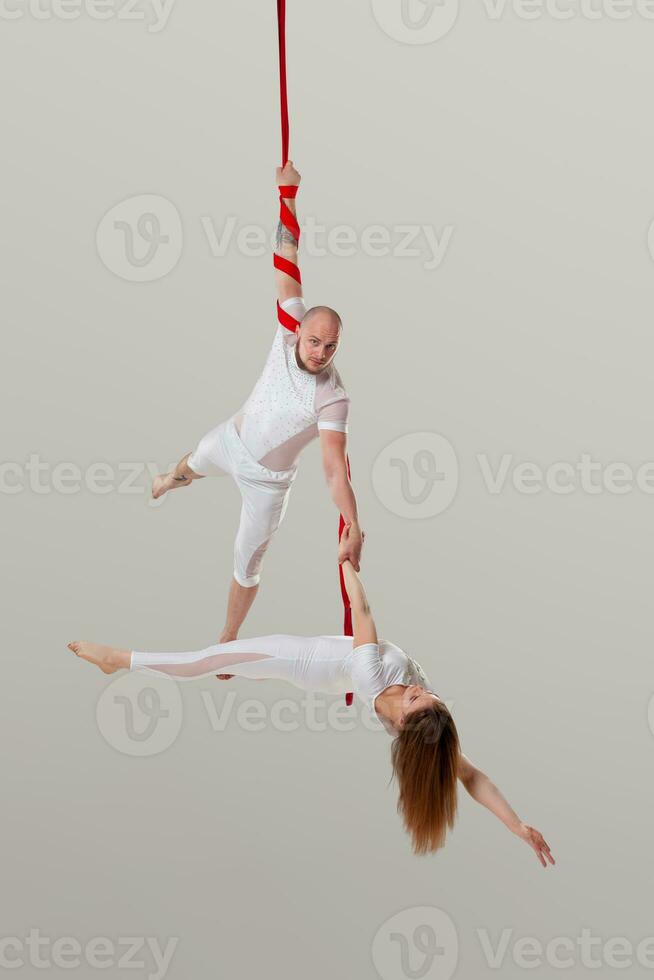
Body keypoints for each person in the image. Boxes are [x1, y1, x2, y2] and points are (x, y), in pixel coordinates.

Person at [67, 537, 554, 865]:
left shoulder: (375, 673)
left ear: (404, 724)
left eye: (416, 700)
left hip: (301, 660)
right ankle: (232, 664)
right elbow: (469, 774)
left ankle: (119, 660)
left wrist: (343, 559)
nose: (420, 690)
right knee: (230, 663)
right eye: (427, 695)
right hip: (327, 675)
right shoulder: (425, 727)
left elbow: (362, 609)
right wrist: (517, 824)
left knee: (206, 660)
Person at [151, 161, 364, 644]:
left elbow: (334, 469)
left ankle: (227, 635)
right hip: (232, 439)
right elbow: (286, 256)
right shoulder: (290, 320)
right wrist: (287, 195)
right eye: (314, 342)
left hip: (266, 485)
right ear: (302, 330)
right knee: (189, 464)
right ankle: (168, 480)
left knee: (245, 564)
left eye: (331, 346)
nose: (320, 353)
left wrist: (354, 524)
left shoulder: (333, 397)